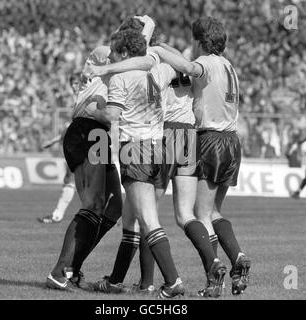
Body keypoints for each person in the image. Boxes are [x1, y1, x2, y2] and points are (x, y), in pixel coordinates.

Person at [88, 40, 227, 297]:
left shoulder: (153, 67)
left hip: (162, 137)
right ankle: (213, 263)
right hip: (189, 137)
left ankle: (147, 282)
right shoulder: (181, 67)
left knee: (142, 216)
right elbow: (198, 99)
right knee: (186, 214)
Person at [149, 16, 251, 295]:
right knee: (213, 211)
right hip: (232, 142)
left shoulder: (205, 63)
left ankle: (214, 273)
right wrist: (161, 44)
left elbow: (187, 66)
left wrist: (156, 50)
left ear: (199, 42)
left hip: (210, 140)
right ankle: (238, 259)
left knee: (199, 214)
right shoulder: (228, 65)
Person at [92, 29, 185, 299]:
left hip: (135, 149)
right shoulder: (161, 70)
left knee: (147, 219)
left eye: (114, 51)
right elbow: (183, 66)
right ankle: (115, 281)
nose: (111, 55)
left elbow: (112, 114)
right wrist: (162, 48)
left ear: (123, 54)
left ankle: (173, 281)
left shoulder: (120, 77)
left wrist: (92, 108)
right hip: (158, 147)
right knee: (132, 221)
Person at [45, 46, 123, 291]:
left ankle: (73, 269)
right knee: (93, 204)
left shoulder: (125, 67)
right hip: (87, 130)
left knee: (113, 207)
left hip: (100, 135)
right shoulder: (105, 53)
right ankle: (59, 273)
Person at [38, 73, 81, 224]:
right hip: (80, 144)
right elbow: (71, 127)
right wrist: (54, 140)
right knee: (70, 179)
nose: (75, 86)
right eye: (73, 84)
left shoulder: (89, 98)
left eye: (77, 83)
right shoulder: (76, 102)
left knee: (95, 182)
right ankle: (57, 214)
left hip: (91, 144)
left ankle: (116, 214)